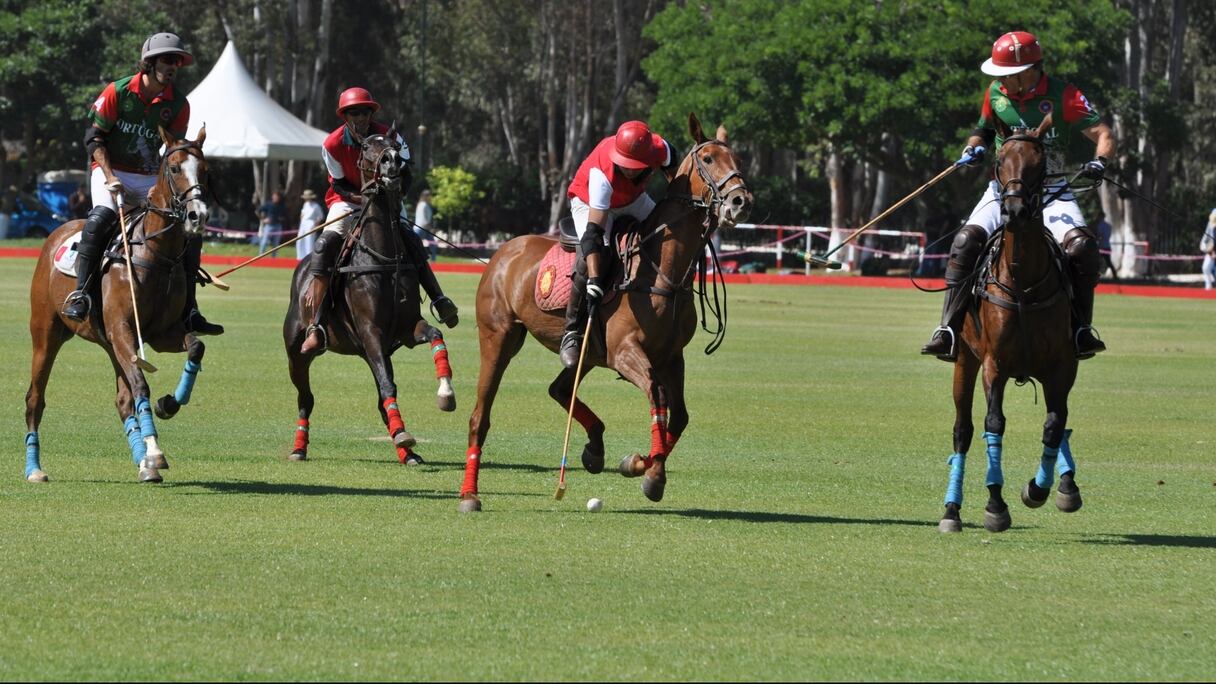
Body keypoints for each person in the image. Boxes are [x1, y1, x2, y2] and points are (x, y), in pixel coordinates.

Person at [920, 31, 1115, 362]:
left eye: (1006, 73)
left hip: (1051, 190)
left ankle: (1081, 329)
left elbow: (1103, 133)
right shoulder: (996, 92)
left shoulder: (1063, 95)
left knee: (1083, 248)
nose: (1000, 80)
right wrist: (973, 148)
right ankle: (948, 329)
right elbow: (981, 130)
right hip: (1003, 190)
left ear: (1030, 70)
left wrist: (1100, 161)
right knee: (965, 241)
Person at [64, 32, 223, 335]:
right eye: (167, 59)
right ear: (150, 63)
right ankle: (81, 294)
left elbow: (172, 150)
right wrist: (110, 177)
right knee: (101, 219)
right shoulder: (118, 92)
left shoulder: (178, 104)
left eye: (177, 61)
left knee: (189, 231)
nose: (173, 65)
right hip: (111, 170)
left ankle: (189, 308)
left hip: (149, 174)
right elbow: (93, 138)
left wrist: (161, 184)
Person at [298, 87, 458, 355]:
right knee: (325, 244)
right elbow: (337, 185)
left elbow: (406, 174)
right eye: (353, 112)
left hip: (388, 200)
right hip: (347, 200)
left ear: (371, 113)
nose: (360, 117)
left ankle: (439, 299)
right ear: (345, 116)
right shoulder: (332, 144)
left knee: (411, 238)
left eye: (364, 112)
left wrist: (390, 199)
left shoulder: (390, 137)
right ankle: (316, 326)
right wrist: (364, 201)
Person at [560, 120, 678, 368]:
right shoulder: (601, 175)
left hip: (632, 200)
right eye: (625, 165)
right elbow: (593, 233)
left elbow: (673, 167)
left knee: (668, 233)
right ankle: (571, 332)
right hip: (589, 200)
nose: (630, 170)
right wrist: (594, 279)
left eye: (635, 166)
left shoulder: (658, 149)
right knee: (593, 256)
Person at [296, 188, 323, 260]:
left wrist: (315, 226)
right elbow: (302, 214)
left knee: (309, 240)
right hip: (303, 224)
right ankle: (300, 258)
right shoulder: (305, 204)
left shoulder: (316, 206)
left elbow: (320, 217)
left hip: (311, 224)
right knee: (299, 240)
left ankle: (308, 258)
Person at [257, 190, 285, 254]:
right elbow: (258, 211)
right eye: (274, 197)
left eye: (277, 197)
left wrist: (281, 219)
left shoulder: (282, 206)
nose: (275, 198)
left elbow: (285, 216)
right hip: (269, 226)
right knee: (264, 242)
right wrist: (263, 219)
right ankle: (260, 256)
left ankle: (273, 260)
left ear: (279, 198)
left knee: (275, 244)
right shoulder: (269, 204)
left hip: (278, 226)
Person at [413, 189, 438, 262]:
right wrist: (431, 228)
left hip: (425, 229)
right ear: (426, 196)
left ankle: (433, 262)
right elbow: (423, 220)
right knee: (415, 245)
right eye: (430, 196)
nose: (431, 198)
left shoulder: (426, 205)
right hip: (420, 228)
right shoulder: (423, 205)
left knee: (433, 245)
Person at [1093, 210, 1116, 278]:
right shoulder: (1108, 226)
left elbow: (1100, 236)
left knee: (1097, 261)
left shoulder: (1100, 225)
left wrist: (1095, 239)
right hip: (1107, 246)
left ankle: (1095, 275)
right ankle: (1115, 276)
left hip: (1101, 246)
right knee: (1108, 262)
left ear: (1100, 216)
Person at [1202, 208, 1216, 291]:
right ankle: (1208, 288)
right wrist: (1209, 250)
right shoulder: (1210, 225)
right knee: (1205, 267)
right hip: (1211, 253)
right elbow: (1204, 240)